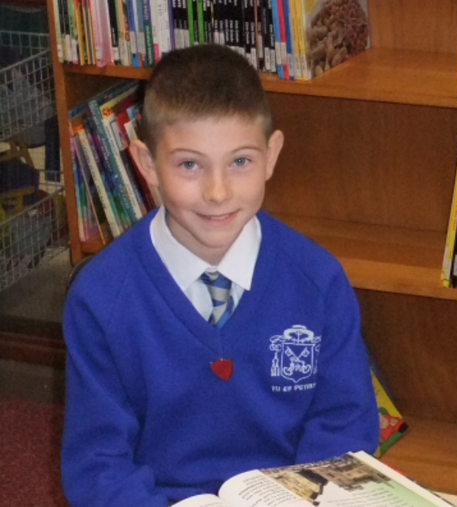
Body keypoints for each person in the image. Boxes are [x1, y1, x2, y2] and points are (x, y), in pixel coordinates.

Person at [62, 44, 379, 507]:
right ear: (147, 164)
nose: (217, 192)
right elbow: (97, 465)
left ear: (272, 155)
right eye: (189, 165)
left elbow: (344, 432)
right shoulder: (102, 297)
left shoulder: (318, 280)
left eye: (240, 162)